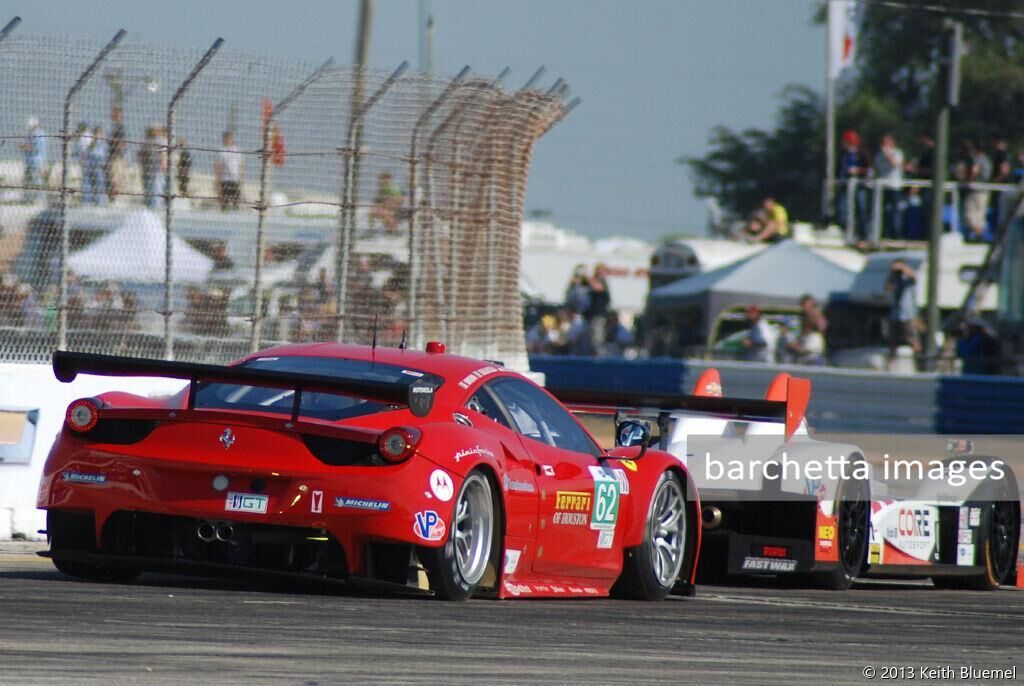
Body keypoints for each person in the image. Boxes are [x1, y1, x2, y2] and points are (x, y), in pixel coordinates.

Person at [885, 259, 920, 369]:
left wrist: (903, 268)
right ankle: (892, 362)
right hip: (896, 313)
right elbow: (887, 288)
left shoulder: (908, 278)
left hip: (908, 314)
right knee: (893, 340)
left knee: (912, 338)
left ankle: (919, 362)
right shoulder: (894, 279)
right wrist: (891, 273)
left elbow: (914, 277)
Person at [836, 129, 869, 241]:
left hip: (859, 186)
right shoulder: (843, 155)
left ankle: (863, 236)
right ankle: (844, 233)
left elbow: (869, 169)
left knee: (861, 209)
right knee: (842, 210)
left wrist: (857, 170)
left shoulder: (862, 153)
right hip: (845, 186)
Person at [959, 141, 993, 242]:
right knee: (976, 217)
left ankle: (979, 236)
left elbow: (977, 172)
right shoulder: (986, 161)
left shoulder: (979, 160)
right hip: (980, 191)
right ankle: (979, 235)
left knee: (972, 217)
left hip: (977, 190)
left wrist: (970, 178)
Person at [874, 134, 905, 239]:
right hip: (882, 187)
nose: (884, 146)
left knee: (895, 212)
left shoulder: (897, 153)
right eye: (883, 143)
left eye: (886, 143)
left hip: (894, 186)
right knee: (882, 212)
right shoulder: (879, 155)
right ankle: (883, 234)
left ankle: (896, 235)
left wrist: (888, 154)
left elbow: (895, 164)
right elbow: (877, 170)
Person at [786, 294, 827, 365]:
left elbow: (822, 328)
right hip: (805, 356)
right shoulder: (803, 318)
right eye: (804, 305)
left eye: (807, 304)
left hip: (814, 356)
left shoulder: (816, 315)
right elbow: (801, 336)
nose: (805, 307)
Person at [20, 116, 48, 202]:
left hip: (36, 161)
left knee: (37, 180)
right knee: (29, 180)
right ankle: (29, 198)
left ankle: (39, 199)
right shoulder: (31, 133)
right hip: (30, 161)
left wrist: (25, 146)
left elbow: (37, 147)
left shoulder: (38, 134)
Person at [215, 130, 243, 210]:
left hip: (234, 180)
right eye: (227, 138)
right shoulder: (221, 150)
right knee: (225, 201)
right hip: (225, 180)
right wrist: (218, 179)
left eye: (230, 138)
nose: (229, 140)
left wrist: (241, 177)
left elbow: (240, 165)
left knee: (235, 200)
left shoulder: (236, 150)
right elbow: (218, 166)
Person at [82, 126, 108, 206]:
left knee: (99, 181)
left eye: (99, 133)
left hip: (99, 162)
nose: (97, 135)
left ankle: (100, 201)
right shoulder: (91, 143)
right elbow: (87, 152)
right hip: (91, 162)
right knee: (88, 182)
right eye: (96, 133)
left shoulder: (103, 143)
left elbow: (104, 154)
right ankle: (87, 201)